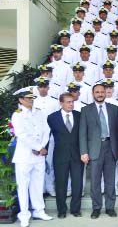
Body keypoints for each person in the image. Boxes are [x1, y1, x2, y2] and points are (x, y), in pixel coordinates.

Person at [79, 83, 118, 219]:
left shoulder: (114, 109)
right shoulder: (86, 110)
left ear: (106, 93)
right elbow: (82, 133)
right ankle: (96, 208)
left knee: (110, 181)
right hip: (94, 149)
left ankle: (110, 207)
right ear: (93, 94)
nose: (100, 94)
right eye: (97, 92)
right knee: (95, 181)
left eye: (102, 92)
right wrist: (83, 152)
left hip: (111, 148)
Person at [11, 87, 53, 227]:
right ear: (21, 100)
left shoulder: (39, 113)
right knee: (23, 186)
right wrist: (37, 147)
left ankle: (38, 210)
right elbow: (21, 135)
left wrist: (41, 147)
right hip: (24, 156)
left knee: (37, 184)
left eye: (32, 98)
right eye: (28, 98)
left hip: (39, 155)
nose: (31, 100)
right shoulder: (17, 115)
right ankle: (24, 215)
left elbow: (47, 130)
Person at [47, 93, 84, 218]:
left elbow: (83, 135)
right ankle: (61, 210)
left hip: (77, 155)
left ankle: (75, 209)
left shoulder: (79, 116)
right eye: (68, 102)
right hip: (60, 156)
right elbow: (46, 136)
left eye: (72, 101)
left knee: (77, 183)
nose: (71, 104)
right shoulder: (52, 118)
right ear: (61, 103)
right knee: (61, 184)